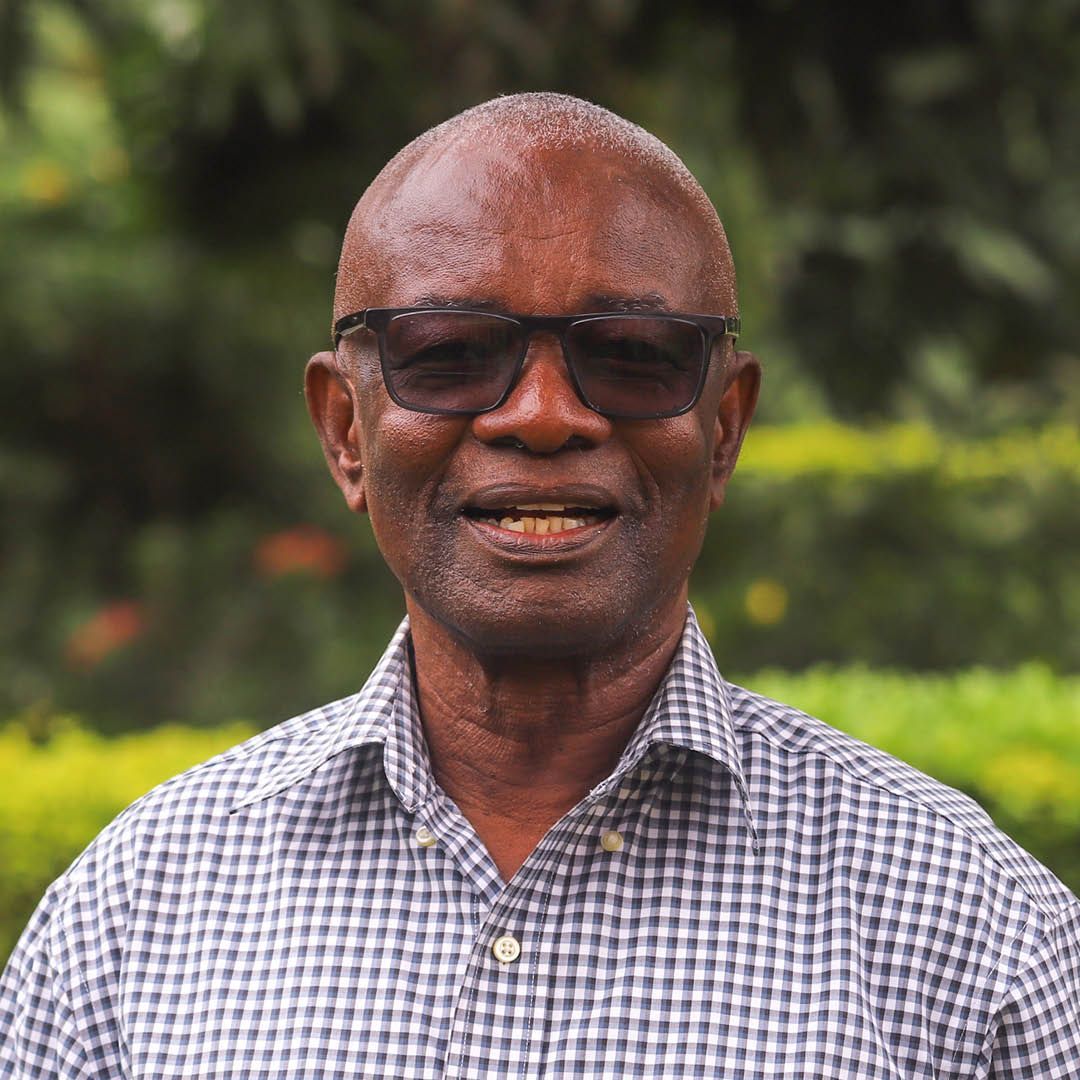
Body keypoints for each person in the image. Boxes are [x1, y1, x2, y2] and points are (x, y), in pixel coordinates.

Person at [1, 93, 1077, 1079]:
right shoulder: (132, 922)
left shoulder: (977, 943)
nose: (544, 414)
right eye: (451, 351)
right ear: (344, 435)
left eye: (637, 353)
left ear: (723, 430)